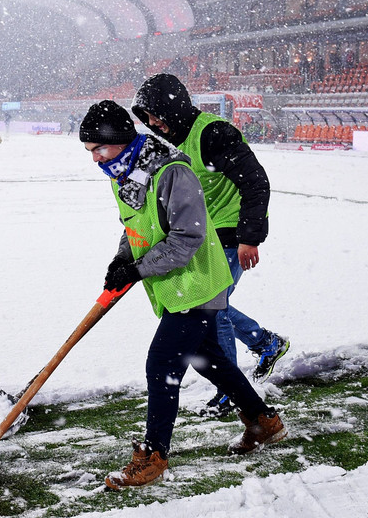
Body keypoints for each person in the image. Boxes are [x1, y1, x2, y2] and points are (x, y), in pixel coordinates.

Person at [79, 100, 285, 491]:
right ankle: (264, 423)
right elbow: (135, 225)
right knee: (210, 361)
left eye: (98, 149)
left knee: (161, 366)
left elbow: (187, 237)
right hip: (172, 285)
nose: (95, 159)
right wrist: (122, 259)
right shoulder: (122, 172)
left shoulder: (172, 171)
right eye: (89, 151)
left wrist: (138, 269)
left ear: (120, 140)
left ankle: (154, 455)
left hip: (196, 282)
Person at [131, 73, 289, 418]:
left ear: (174, 108)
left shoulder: (213, 134)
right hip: (203, 236)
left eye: (157, 114)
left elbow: (256, 183)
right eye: (148, 117)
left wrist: (250, 237)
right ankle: (264, 343)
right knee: (210, 305)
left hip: (230, 233)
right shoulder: (167, 138)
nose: (153, 123)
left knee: (211, 308)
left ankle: (229, 389)